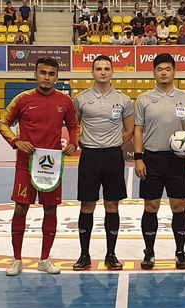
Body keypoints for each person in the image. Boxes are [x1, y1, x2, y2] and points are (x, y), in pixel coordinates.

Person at [0, 57, 79, 276]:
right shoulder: (22, 99)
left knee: (50, 209)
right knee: (20, 208)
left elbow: (74, 126)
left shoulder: (65, 101)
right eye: (43, 73)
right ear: (35, 74)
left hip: (51, 166)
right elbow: (2, 122)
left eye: (51, 73)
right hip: (25, 165)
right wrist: (16, 142)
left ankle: (45, 258)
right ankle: (16, 259)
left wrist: (73, 143)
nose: (47, 77)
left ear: (57, 77)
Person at [133, 53, 185, 270]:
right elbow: (138, 130)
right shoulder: (144, 99)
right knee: (150, 206)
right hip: (151, 159)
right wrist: (139, 159)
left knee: (178, 206)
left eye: (167, 69)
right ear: (154, 72)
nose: (163, 72)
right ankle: (149, 252)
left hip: (176, 160)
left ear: (174, 71)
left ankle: (180, 252)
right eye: (159, 69)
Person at [72, 55, 135, 271]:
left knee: (112, 205)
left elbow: (130, 130)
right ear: (92, 72)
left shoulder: (123, 100)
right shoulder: (80, 99)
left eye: (107, 68)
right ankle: (84, 255)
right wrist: (80, 141)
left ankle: (111, 254)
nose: (103, 72)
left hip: (113, 157)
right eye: (98, 68)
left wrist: (116, 143)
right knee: (87, 205)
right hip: (89, 156)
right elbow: (74, 126)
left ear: (112, 72)